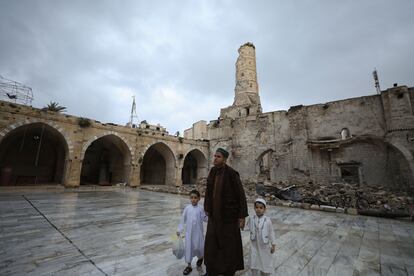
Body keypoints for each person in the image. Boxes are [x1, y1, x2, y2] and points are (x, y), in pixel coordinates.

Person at [203, 148, 248, 276]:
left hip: (228, 218)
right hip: (214, 217)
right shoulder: (212, 171)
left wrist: (242, 216)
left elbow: (241, 195)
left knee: (228, 246)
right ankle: (211, 270)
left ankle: (228, 271)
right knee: (212, 244)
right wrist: (207, 207)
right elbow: (208, 191)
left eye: (218, 156)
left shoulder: (232, 174)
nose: (215, 158)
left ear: (225, 159)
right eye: (214, 156)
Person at [177, 190, 208, 275]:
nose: (193, 200)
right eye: (191, 198)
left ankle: (201, 258)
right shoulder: (187, 208)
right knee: (189, 248)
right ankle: (189, 266)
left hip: (198, 233)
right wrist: (179, 229)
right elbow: (183, 219)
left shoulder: (201, 208)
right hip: (189, 234)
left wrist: (209, 215)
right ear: (189, 198)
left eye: (195, 198)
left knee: (199, 247)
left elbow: (205, 219)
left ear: (199, 199)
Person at [247, 198, 276, 276]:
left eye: (261, 208)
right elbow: (248, 227)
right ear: (254, 208)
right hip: (254, 245)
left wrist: (273, 244)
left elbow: (271, 232)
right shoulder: (251, 219)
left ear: (264, 209)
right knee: (254, 261)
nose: (258, 209)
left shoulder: (267, 220)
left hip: (264, 246)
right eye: (256, 207)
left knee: (265, 261)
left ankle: (264, 273)